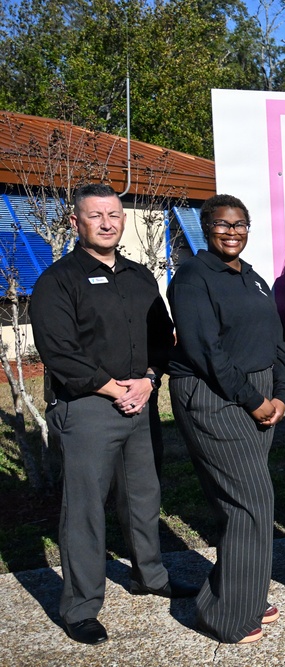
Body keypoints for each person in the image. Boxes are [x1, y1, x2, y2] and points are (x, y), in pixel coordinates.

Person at [29, 183, 197, 646]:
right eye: (96, 215)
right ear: (75, 222)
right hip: (87, 407)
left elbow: (163, 338)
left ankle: (151, 575)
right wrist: (110, 387)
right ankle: (81, 607)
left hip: (140, 400)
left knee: (143, 498)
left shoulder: (141, 277)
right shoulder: (57, 281)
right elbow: (59, 351)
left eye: (114, 215)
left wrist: (147, 378)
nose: (107, 222)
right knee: (84, 511)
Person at [167, 194, 285, 644]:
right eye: (223, 224)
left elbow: (276, 338)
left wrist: (280, 393)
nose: (233, 231)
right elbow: (205, 350)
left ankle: (245, 594)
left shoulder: (252, 277)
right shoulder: (193, 277)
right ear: (206, 228)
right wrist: (251, 399)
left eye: (240, 224)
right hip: (215, 396)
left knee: (245, 504)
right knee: (250, 503)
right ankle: (226, 616)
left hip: (257, 394)